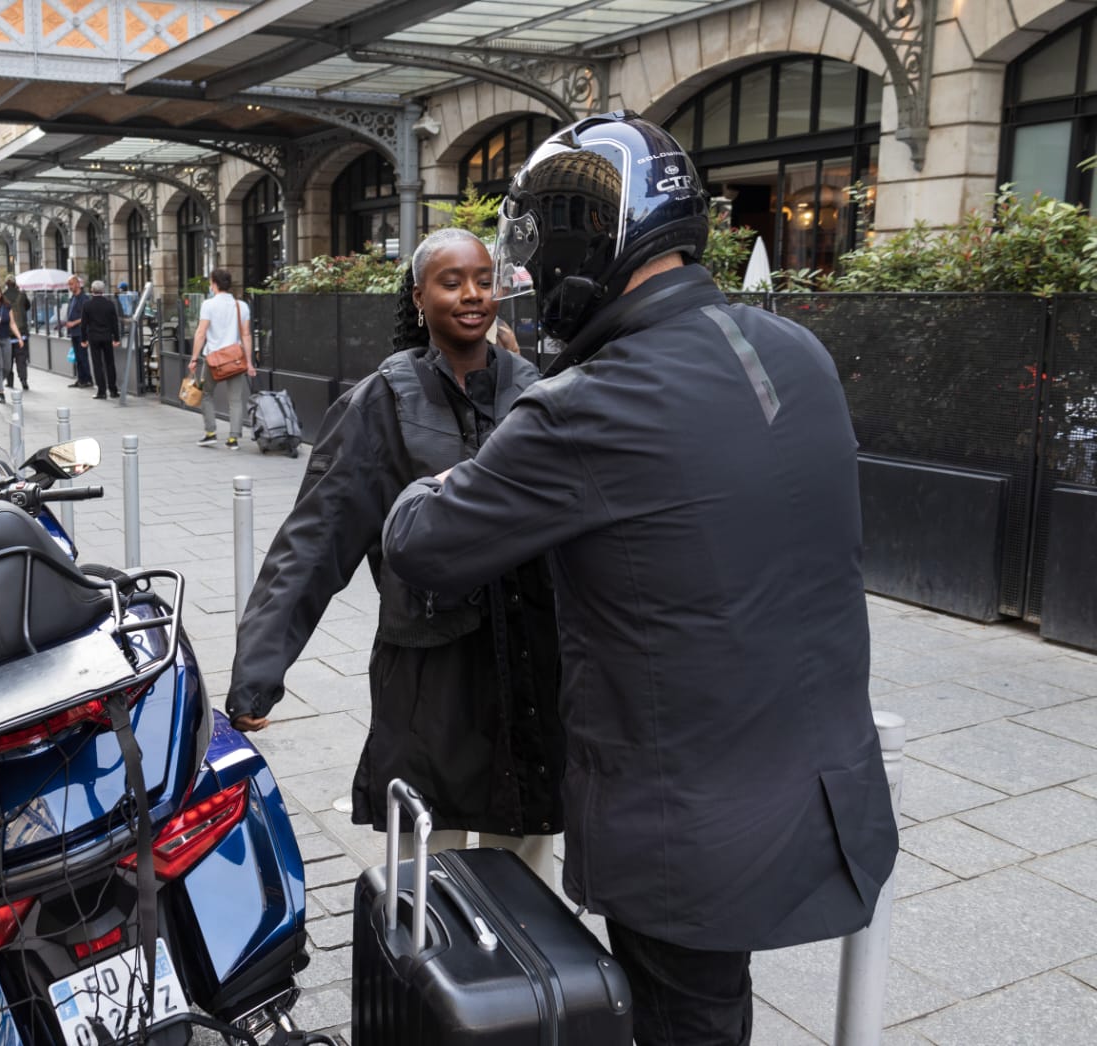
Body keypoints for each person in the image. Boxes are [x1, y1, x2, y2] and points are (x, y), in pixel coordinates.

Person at [380, 112, 899, 1046]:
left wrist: (442, 465)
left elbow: (424, 540)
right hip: (823, 783)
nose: (529, 285)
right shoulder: (798, 354)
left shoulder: (586, 404)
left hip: (683, 824)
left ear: (589, 245)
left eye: (536, 258)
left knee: (682, 1022)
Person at [227, 229, 563, 884]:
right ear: (418, 296)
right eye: (451, 280)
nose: (472, 294)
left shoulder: (535, 391)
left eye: (482, 279)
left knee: (526, 877)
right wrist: (257, 672)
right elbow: (314, 541)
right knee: (430, 883)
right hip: (431, 675)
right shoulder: (382, 402)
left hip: (527, 675)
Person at [187, 269, 255, 449]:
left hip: (213, 359)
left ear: (214, 283)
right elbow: (246, 335)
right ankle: (233, 439)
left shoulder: (208, 305)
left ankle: (210, 433)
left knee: (207, 394)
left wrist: (194, 358)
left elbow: (201, 333)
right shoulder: (241, 306)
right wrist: (249, 362)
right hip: (235, 359)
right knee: (235, 400)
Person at [82, 280, 122, 400]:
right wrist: (116, 338)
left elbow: (84, 324)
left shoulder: (87, 305)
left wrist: (84, 339)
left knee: (97, 364)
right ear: (103, 291)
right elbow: (115, 323)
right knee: (110, 363)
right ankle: (113, 390)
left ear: (92, 290)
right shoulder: (109, 304)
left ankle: (101, 391)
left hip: (94, 337)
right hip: (106, 337)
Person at [62, 275, 93, 388]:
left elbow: (87, 316)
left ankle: (88, 380)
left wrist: (73, 323)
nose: (70, 287)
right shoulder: (73, 298)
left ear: (78, 284)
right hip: (74, 332)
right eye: (69, 284)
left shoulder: (84, 298)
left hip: (81, 332)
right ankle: (81, 379)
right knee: (77, 357)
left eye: (71, 284)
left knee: (82, 356)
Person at [2, 277, 31, 392]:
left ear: (6, 284)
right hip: (21, 333)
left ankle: (10, 382)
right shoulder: (22, 295)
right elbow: (27, 307)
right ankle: (23, 380)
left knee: (7, 359)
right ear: (15, 284)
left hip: (7, 334)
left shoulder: (2, 296)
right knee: (21, 359)